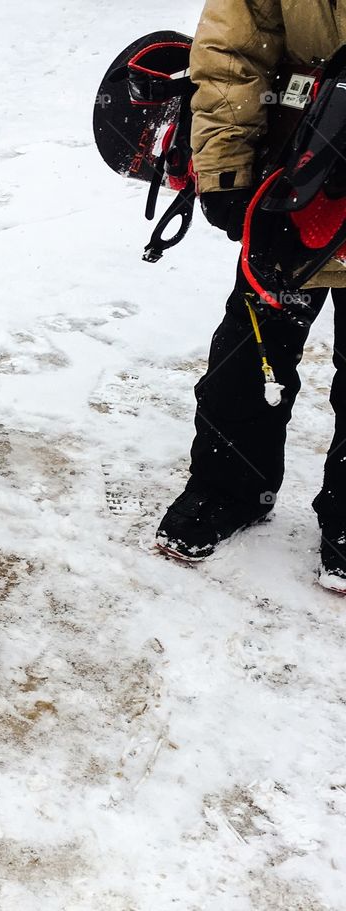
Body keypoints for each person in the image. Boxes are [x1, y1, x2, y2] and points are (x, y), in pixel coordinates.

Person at [155, 1, 346, 590]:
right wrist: (227, 167)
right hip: (302, 175)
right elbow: (232, 54)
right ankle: (229, 488)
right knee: (250, 351)